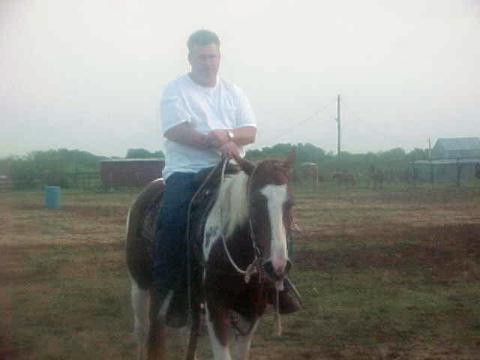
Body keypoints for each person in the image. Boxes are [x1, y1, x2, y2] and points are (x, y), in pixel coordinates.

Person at [154, 30, 299, 324]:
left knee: (275, 211)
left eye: (212, 56)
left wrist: (229, 135)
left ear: (219, 57)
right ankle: (176, 294)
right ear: (190, 58)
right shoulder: (176, 90)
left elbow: (250, 131)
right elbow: (175, 130)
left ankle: (277, 283)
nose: (208, 62)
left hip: (233, 167)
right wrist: (213, 141)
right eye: (201, 57)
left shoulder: (233, 91)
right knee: (171, 220)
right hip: (188, 169)